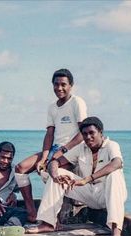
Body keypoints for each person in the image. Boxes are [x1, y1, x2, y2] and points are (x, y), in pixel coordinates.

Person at [25, 117, 128, 236]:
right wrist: (55, 174)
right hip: (90, 194)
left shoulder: (112, 145)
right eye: (85, 134)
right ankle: (48, 223)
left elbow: (117, 163)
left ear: (101, 132)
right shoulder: (81, 148)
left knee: (115, 174)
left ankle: (116, 231)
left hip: (108, 194)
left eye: (92, 133)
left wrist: (87, 179)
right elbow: (55, 162)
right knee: (59, 174)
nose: (88, 137)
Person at [15, 68, 87, 222]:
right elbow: (49, 134)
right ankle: (31, 212)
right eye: (56, 84)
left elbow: (83, 133)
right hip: (55, 149)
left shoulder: (77, 102)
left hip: (72, 150)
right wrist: (44, 157)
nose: (59, 88)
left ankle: (52, 219)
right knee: (20, 168)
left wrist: (64, 149)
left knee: (54, 175)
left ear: (71, 85)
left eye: (63, 84)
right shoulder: (52, 107)